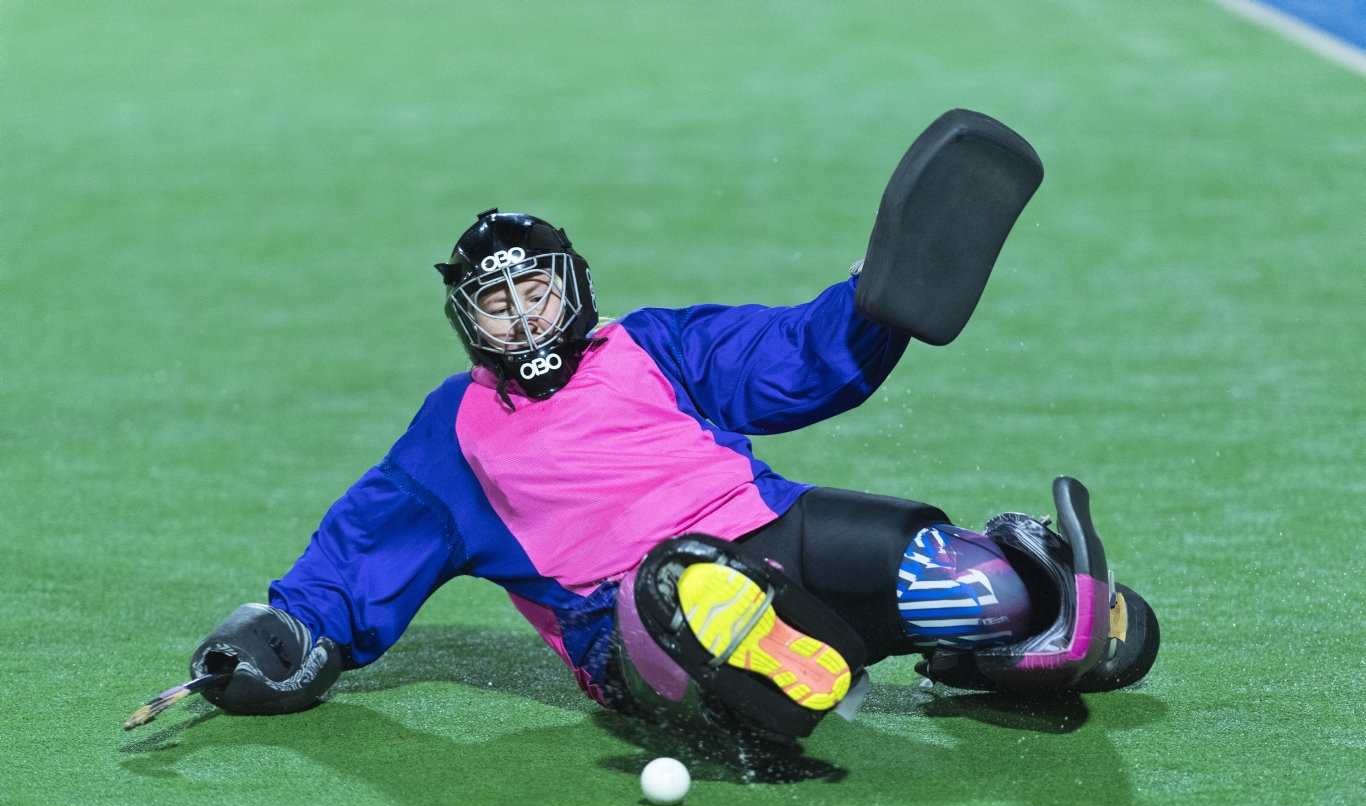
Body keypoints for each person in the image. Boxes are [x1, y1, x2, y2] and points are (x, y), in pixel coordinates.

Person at [188, 114, 1160, 770]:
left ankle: (1004, 632)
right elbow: (358, 561)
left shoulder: (650, 346)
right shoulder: (454, 437)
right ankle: (757, 667)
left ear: (573, 286)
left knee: (970, 581)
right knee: (684, 591)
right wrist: (284, 636)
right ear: (467, 320)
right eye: (498, 302)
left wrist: (876, 301)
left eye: (538, 290)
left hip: (770, 530)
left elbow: (793, 358)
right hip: (632, 620)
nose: (524, 317)